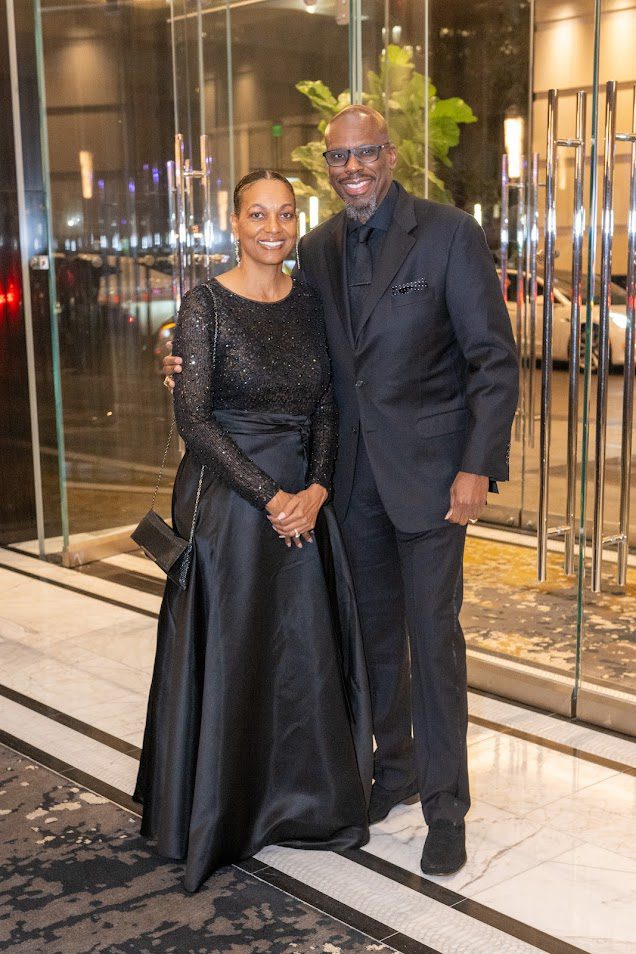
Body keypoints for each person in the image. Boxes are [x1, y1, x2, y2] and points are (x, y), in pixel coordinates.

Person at [164, 106, 519, 877]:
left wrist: (475, 466)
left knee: (435, 646)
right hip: (347, 487)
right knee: (374, 646)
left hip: (431, 485)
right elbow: (281, 336)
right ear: (327, 165)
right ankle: (392, 776)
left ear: (388, 155)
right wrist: (188, 362)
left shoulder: (449, 233)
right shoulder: (316, 249)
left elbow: (493, 360)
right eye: (338, 157)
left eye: (365, 153)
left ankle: (445, 808)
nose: (352, 167)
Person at [136, 169, 372, 893]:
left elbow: (328, 407)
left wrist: (318, 490)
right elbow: (194, 420)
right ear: (233, 222)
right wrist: (272, 497)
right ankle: (224, 814)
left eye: (286, 213)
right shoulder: (205, 302)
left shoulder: (309, 302)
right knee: (235, 657)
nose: (273, 227)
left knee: (301, 658)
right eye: (257, 214)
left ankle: (300, 805)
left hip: (304, 501)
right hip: (234, 513)